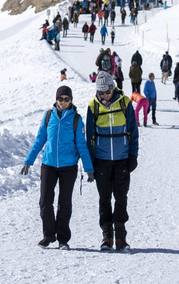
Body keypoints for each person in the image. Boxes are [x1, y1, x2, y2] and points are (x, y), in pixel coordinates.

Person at [22, 85, 94, 248]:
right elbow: (40, 140)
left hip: (69, 167)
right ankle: (48, 235)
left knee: (64, 202)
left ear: (71, 101)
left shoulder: (76, 119)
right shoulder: (48, 116)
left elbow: (81, 145)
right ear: (56, 100)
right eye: (60, 99)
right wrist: (29, 160)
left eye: (66, 99)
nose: (63, 102)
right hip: (48, 165)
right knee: (45, 201)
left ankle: (63, 239)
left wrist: (89, 168)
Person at [86, 72, 139, 251]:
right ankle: (107, 236)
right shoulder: (93, 106)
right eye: (101, 92)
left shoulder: (124, 103)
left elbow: (133, 131)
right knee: (104, 198)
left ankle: (121, 237)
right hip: (101, 160)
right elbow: (90, 136)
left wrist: (133, 155)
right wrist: (90, 161)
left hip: (122, 159)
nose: (104, 95)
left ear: (113, 88)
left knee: (121, 198)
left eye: (107, 91)